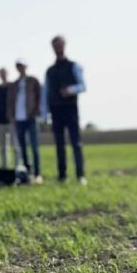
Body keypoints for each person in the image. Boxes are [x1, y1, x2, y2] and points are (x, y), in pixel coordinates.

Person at [42, 35, 87, 185]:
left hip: (70, 109)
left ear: (64, 46)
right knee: (59, 145)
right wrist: (44, 113)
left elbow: (82, 85)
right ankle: (62, 175)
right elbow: (46, 93)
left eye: (60, 45)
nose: (58, 49)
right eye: (55, 46)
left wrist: (71, 90)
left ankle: (80, 175)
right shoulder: (49, 71)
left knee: (76, 142)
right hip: (56, 110)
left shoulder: (74, 66)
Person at [8, 59, 42, 183]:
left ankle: (38, 173)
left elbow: (39, 97)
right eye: (18, 66)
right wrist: (11, 115)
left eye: (21, 66)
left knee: (34, 146)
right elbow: (10, 101)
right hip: (19, 119)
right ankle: (28, 173)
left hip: (30, 117)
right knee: (22, 148)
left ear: (26, 66)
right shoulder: (14, 84)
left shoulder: (33, 81)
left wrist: (36, 112)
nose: (20, 68)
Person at [0, 68, 14, 168]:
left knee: (15, 146)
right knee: (2, 147)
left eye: (4, 73)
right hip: (0, 122)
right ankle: (4, 165)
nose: (3, 75)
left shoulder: (12, 87)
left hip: (11, 121)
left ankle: (17, 166)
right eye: (1, 73)